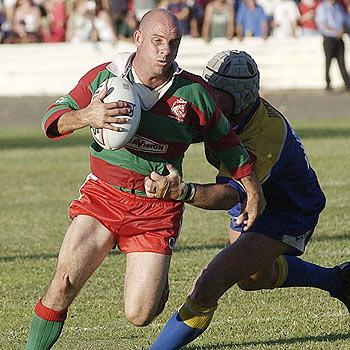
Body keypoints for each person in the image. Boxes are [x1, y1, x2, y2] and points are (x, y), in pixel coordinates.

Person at [25, 10, 264, 350]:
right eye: (156, 41)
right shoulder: (103, 79)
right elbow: (52, 119)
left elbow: (229, 145)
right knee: (62, 283)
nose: (165, 51)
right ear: (138, 39)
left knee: (140, 314)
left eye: (173, 43)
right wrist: (85, 115)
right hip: (103, 197)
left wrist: (252, 188)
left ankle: (156, 281)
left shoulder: (193, 93)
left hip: (156, 208)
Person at [145, 50, 350, 350]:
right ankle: (340, 281)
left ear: (239, 97)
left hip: (289, 210)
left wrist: (184, 191)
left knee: (208, 285)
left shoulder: (264, 133)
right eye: (208, 87)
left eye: (217, 92)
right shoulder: (221, 109)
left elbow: (229, 192)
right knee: (253, 277)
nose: (208, 98)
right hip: (251, 202)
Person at [315, 0, 350, 91]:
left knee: (342, 62)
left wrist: (342, 30)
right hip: (329, 39)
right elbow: (322, 24)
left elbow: (345, 20)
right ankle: (328, 83)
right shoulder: (322, 7)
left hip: (339, 38)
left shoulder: (338, 7)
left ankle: (347, 84)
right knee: (328, 62)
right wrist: (335, 32)